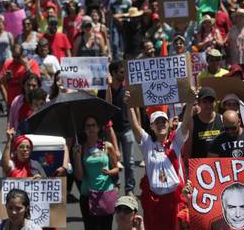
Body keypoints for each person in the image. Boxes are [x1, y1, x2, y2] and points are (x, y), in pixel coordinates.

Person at [125, 88, 194, 230]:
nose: (161, 124)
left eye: (163, 121)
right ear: (151, 126)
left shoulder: (176, 141)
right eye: (157, 122)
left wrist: (190, 101)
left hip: (175, 200)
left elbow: (186, 124)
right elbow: (134, 126)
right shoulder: (147, 144)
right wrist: (130, 105)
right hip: (154, 202)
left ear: (169, 124)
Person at [72, 115, 118, 230]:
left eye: (93, 125)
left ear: (98, 128)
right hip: (88, 195)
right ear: (84, 129)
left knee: (106, 227)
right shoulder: (81, 148)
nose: (91, 128)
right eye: (88, 126)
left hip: (105, 193)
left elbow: (117, 169)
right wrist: (77, 158)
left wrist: (110, 172)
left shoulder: (106, 146)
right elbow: (79, 176)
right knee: (90, 227)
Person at [100, 60, 135, 197]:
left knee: (130, 162)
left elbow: (134, 108)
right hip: (109, 131)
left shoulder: (127, 89)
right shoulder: (104, 90)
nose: (124, 74)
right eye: (121, 72)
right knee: (111, 160)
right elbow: (107, 106)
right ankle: (115, 184)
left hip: (127, 129)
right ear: (113, 73)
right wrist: (108, 87)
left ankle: (129, 188)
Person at [0, 43, 40, 108]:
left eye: (17, 57)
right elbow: (1, 82)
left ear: (23, 54)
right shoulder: (8, 63)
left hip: (28, 100)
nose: (15, 59)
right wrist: (6, 77)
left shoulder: (32, 63)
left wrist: (26, 66)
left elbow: (36, 80)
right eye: (14, 57)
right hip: (12, 101)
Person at [190, 87, 223, 158]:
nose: (208, 105)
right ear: (198, 103)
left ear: (215, 102)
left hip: (219, 165)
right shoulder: (192, 122)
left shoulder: (222, 119)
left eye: (211, 101)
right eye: (204, 102)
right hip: (198, 166)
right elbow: (188, 147)